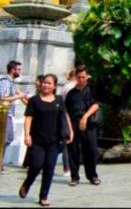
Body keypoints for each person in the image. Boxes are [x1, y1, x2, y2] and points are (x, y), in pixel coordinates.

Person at [18, 74, 73, 207]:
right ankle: (28, 183)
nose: (46, 85)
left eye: (49, 83)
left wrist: (70, 131)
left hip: (54, 141)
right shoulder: (34, 100)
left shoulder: (59, 100)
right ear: (40, 84)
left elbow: (65, 116)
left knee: (49, 168)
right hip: (37, 140)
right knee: (36, 165)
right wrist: (27, 135)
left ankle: (43, 196)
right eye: (44, 82)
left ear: (54, 86)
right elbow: (28, 118)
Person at [65, 65, 101, 187]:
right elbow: (67, 111)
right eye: (79, 77)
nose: (81, 79)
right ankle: (74, 176)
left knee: (91, 150)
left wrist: (85, 117)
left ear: (87, 77)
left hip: (89, 122)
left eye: (83, 77)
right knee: (73, 150)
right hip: (74, 122)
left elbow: (96, 105)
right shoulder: (71, 93)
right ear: (75, 77)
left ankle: (92, 175)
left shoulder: (91, 89)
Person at [1, 60, 27, 172]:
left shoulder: (11, 82)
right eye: (19, 69)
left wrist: (21, 95)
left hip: (8, 114)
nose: (20, 72)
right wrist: (19, 96)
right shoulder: (6, 81)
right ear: (13, 70)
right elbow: (3, 98)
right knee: (6, 138)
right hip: (4, 114)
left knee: (7, 138)